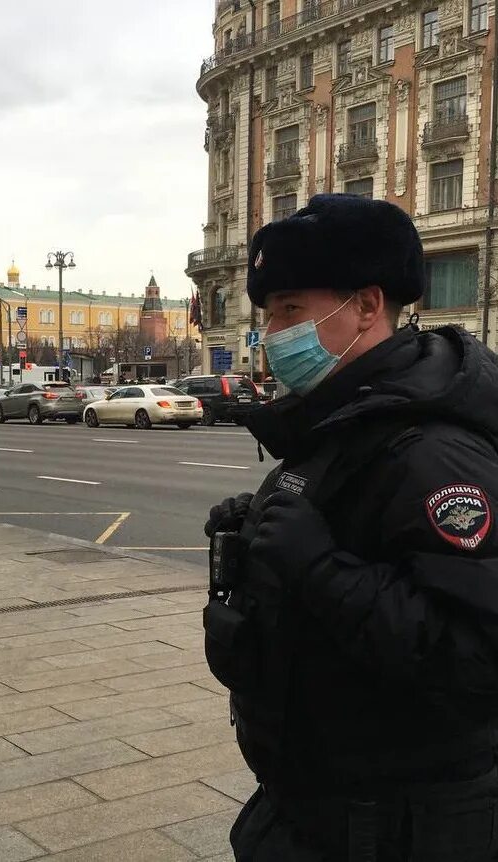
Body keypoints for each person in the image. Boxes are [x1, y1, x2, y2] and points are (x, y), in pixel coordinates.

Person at [203, 194, 498, 861]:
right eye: (269, 313)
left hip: (397, 827)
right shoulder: (339, 424)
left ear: (366, 306)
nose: (273, 333)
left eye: (290, 310)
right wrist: (253, 548)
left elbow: (477, 659)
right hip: (314, 808)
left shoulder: (429, 449)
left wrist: (318, 569)